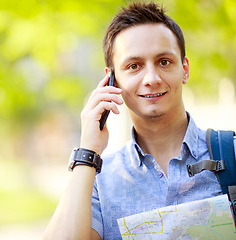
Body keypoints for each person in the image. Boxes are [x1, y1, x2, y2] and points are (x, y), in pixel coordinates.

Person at [43, 1, 229, 240]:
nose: (151, 78)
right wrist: (88, 151)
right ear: (112, 80)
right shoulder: (99, 180)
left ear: (184, 69)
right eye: (134, 66)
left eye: (164, 61)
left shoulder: (231, 154)